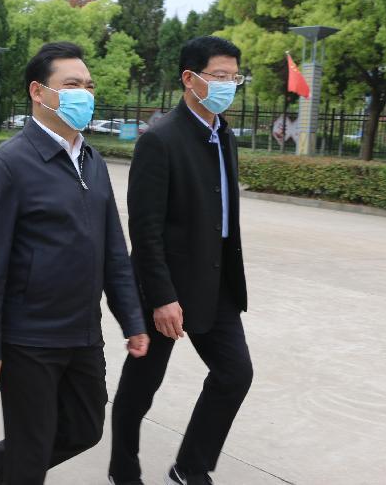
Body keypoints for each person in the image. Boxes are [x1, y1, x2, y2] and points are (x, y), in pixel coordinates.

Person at [0, 42, 149, 485]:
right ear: (38, 92)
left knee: (86, 428)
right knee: (32, 452)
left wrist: (132, 319)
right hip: (28, 338)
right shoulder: (8, 166)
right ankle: (16, 465)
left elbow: (113, 250)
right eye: (71, 84)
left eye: (88, 85)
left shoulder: (92, 160)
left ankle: (3, 462)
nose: (84, 93)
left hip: (82, 332)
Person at [108, 36, 253, 485]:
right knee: (142, 384)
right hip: (166, 286)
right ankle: (122, 466)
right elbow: (145, 228)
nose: (228, 85)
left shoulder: (223, 134)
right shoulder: (161, 139)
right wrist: (161, 297)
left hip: (217, 280)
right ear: (190, 79)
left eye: (234, 78)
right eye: (219, 76)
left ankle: (190, 466)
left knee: (235, 374)